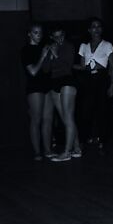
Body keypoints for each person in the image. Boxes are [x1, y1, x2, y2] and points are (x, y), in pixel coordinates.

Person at [76, 18, 113, 153]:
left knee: (102, 110)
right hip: (88, 79)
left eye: (99, 26)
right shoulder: (83, 46)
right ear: (89, 30)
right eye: (93, 26)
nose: (96, 29)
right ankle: (83, 140)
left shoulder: (107, 45)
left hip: (102, 78)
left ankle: (102, 141)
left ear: (102, 29)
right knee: (85, 111)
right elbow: (82, 66)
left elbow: (112, 67)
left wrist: (112, 85)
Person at [42, 25, 81, 162]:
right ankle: (77, 148)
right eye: (56, 36)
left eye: (61, 35)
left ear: (64, 35)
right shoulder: (50, 47)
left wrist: (56, 54)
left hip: (67, 81)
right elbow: (46, 70)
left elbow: (67, 65)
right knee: (65, 119)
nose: (59, 38)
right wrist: (48, 55)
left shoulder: (68, 46)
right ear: (52, 37)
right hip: (54, 82)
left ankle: (67, 152)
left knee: (69, 117)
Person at [20, 23, 54, 160]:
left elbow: (50, 68)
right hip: (34, 87)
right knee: (36, 119)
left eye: (40, 32)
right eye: (35, 32)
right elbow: (33, 71)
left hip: (47, 85)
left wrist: (50, 56)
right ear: (29, 34)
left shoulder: (44, 47)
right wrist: (43, 56)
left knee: (48, 119)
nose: (38, 35)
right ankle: (37, 152)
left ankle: (47, 150)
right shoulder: (26, 50)